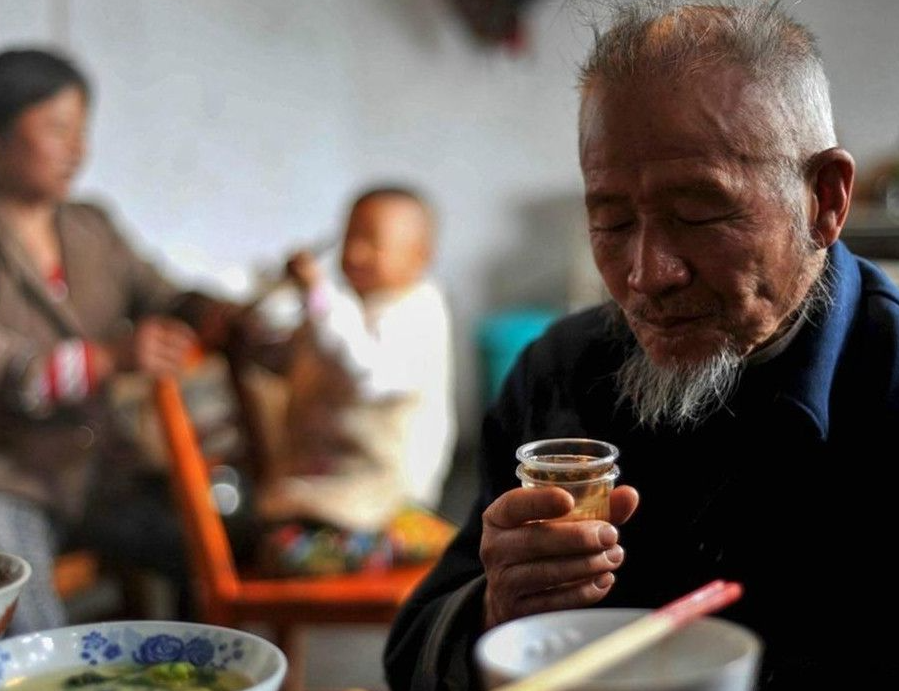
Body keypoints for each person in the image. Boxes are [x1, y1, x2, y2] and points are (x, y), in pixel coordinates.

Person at [384, 2, 899, 689]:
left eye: (698, 213)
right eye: (612, 221)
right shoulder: (561, 374)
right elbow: (412, 655)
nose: (647, 275)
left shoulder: (887, 377)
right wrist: (497, 614)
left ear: (824, 200)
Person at [0, 49, 240, 634]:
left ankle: (190, 665)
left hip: (101, 474)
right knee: (20, 602)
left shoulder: (90, 226)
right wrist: (114, 356)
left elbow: (162, 294)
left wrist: (222, 316)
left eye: (82, 130)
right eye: (57, 129)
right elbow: (19, 375)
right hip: (15, 480)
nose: (77, 149)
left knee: (213, 545)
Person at [249, 187, 457, 574]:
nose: (356, 254)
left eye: (372, 243)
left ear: (420, 256)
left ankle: (405, 539)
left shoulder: (420, 311)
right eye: (349, 239)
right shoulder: (346, 307)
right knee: (273, 539)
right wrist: (287, 290)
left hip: (382, 497)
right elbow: (278, 342)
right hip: (325, 492)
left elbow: (366, 375)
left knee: (287, 553)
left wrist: (318, 295)